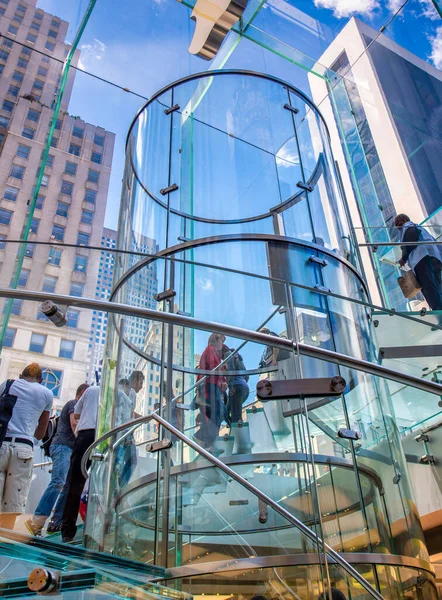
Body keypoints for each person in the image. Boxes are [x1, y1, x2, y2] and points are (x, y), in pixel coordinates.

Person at [25, 383, 89, 536]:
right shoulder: (74, 404)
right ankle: (37, 521)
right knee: (59, 481)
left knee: (67, 486)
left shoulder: (79, 408)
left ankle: (56, 522)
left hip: (68, 449)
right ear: (82, 394)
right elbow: (75, 424)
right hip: (62, 447)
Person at [0, 363, 53, 530]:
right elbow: (41, 433)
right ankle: (4, 537)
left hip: (2, 443)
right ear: (41, 379)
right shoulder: (47, 394)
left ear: (21, 375)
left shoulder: (8, 384)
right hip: (24, 449)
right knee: (15, 499)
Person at [61, 385, 100, 542]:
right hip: (105, 438)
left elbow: (76, 414)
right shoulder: (119, 393)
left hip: (85, 435)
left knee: (75, 484)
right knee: (101, 487)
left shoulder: (90, 390)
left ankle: (67, 531)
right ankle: (97, 528)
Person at [395, 213, 442, 310]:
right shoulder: (421, 229)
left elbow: (411, 237)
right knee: (437, 286)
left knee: (427, 285)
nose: (397, 226)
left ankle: (438, 310)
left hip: (421, 258)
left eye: (397, 222)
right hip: (434, 258)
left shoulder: (408, 225)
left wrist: (404, 257)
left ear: (403, 220)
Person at [195, 333, 227, 449]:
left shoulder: (212, 352)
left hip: (210, 386)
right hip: (209, 386)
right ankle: (202, 438)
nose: (222, 344)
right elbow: (214, 369)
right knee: (217, 413)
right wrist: (222, 381)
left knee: (218, 414)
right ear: (216, 339)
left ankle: (208, 442)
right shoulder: (211, 350)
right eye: (221, 341)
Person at [224, 347, 249, 425]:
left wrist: (226, 384)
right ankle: (234, 428)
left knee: (235, 416)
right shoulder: (239, 359)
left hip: (235, 387)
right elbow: (247, 376)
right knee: (227, 412)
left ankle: (238, 432)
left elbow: (230, 373)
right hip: (244, 388)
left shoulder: (227, 354)